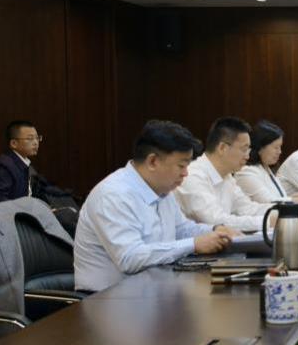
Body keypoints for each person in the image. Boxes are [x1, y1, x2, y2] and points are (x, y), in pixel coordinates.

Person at [73, 120, 240, 293]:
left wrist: (216, 230)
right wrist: (193, 244)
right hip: (106, 299)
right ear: (152, 161)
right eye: (181, 166)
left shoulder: (162, 190)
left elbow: (181, 229)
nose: (185, 173)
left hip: (151, 292)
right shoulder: (113, 195)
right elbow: (129, 258)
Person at [174, 117, 273, 232]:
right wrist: (267, 221)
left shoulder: (227, 176)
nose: (247, 156)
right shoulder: (193, 176)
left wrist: (282, 212)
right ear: (222, 148)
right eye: (244, 149)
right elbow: (215, 220)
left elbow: (248, 209)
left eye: (248, 150)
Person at [0, 120, 74, 205]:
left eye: (37, 138)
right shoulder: (2, 167)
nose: (36, 142)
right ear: (14, 143)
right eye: (30, 138)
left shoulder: (22, 163)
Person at [235, 120, 298, 204]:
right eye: (276, 147)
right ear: (260, 148)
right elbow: (268, 202)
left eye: (280, 147)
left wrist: (296, 197)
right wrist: (295, 200)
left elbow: (279, 198)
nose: (279, 152)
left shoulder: (266, 168)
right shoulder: (246, 172)